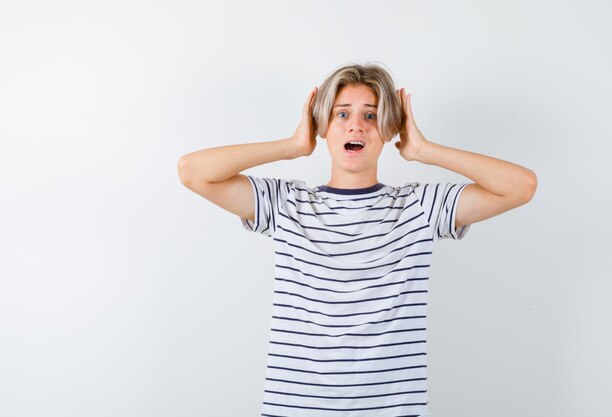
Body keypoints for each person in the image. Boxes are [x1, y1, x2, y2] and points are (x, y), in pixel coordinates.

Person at [177, 63, 537, 417]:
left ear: (389, 128)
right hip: (295, 409)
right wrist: (293, 145)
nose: (356, 125)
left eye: (370, 116)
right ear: (323, 126)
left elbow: (521, 187)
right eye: (341, 114)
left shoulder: (419, 207)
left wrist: (424, 151)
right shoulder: (286, 203)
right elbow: (192, 172)